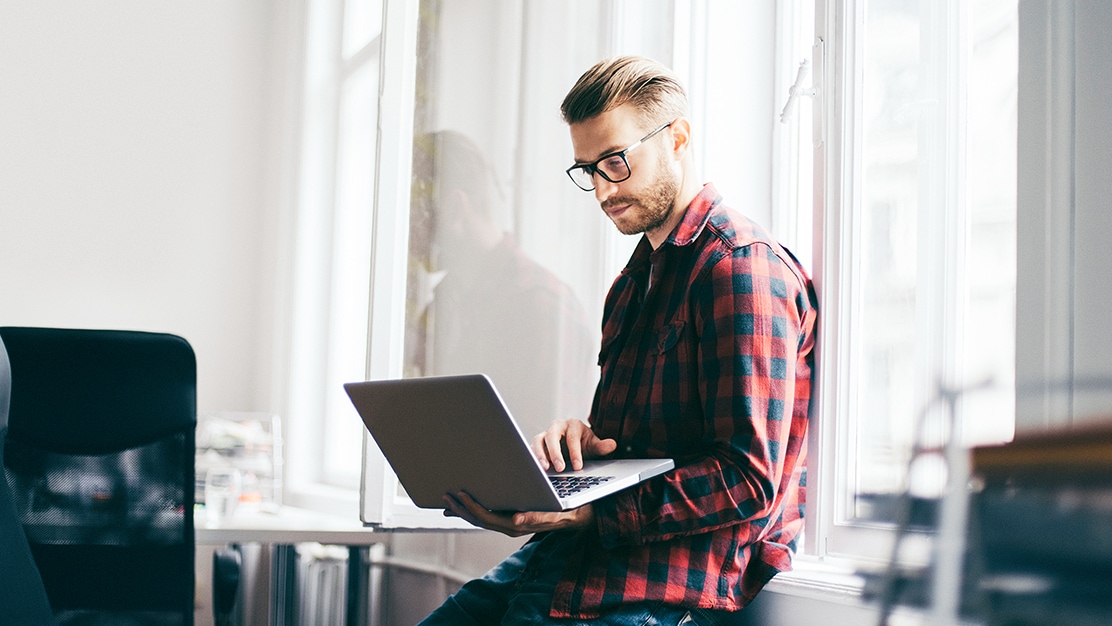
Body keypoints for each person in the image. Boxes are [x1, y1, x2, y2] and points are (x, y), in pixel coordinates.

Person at [419, 55, 818, 625]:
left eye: (615, 161)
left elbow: (748, 479)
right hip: (567, 563)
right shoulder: (631, 284)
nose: (603, 189)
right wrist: (581, 444)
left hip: (658, 587)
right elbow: (631, 450)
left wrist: (589, 513)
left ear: (677, 138)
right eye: (588, 169)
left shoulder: (741, 270)